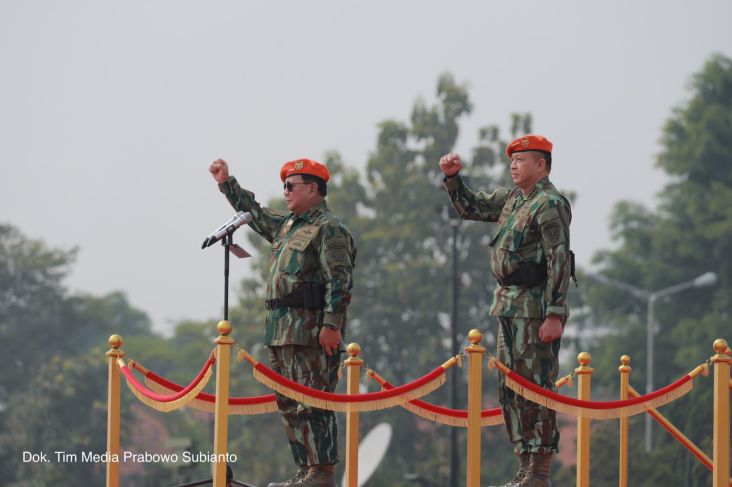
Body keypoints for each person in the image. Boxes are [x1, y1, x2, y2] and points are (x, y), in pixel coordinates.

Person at [209, 157, 356, 487]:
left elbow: (340, 279)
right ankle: (305, 470)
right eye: (284, 186)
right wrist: (226, 183)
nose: (285, 192)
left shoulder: (328, 228)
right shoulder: (290, 226)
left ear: (313, 189)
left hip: (311, 330)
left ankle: (322, 472)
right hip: (281, 329)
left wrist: (331, 326)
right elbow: (256, 214)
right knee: (289, 404)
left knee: (313, 401)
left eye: (291, 186)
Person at [439, 135, 573, 487]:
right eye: (512, 161)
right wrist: (453, 179)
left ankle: (540, 469)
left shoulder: (548, 203)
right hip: (509, 305)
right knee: (510, 388)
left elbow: (559, 259)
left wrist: (555, 313)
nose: (514, 166)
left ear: (540, 165)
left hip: (535, 308)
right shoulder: (514, 199)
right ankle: (525, 464)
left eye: (521, 160)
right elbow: (471, 207)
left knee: (535, 386)